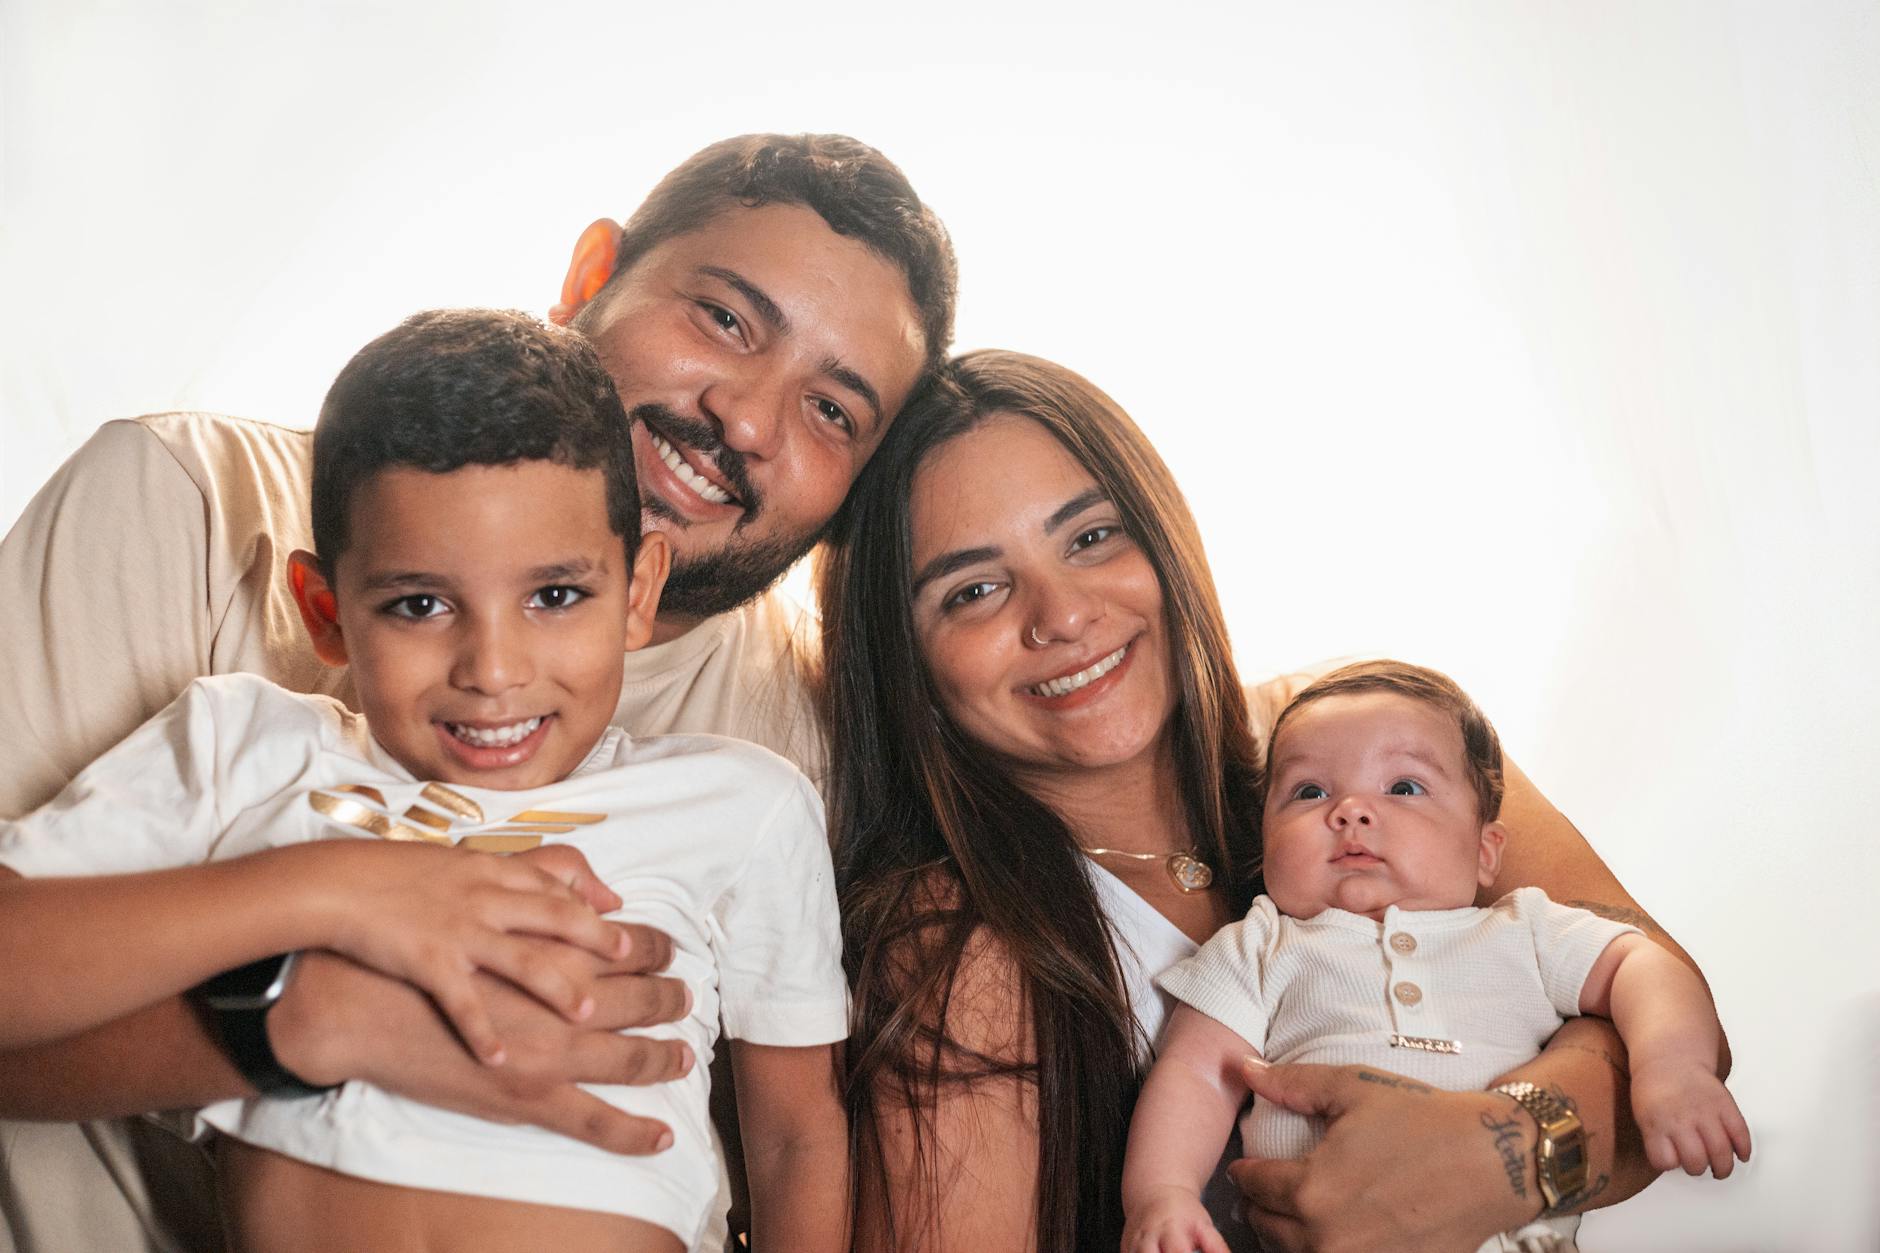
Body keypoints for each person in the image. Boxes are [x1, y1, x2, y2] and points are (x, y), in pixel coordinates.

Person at [0, 133, 954, 1253]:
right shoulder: (193, 514)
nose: (746, 418)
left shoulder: (801, 761)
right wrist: (300, 1011)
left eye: (832, 409)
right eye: (726, 318)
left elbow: (800, 1131)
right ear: (590, 274)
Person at [819, 350, 1731, 1252]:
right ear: (908, 667)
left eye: (1093, 537)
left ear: (1163, 535)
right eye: (973, 590)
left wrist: (1494, 1150)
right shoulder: (954, 942)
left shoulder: (1373, 737)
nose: (1060, 614)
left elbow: (1667, 1017)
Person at [1121, 660, 1750, 1253]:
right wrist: (1162, 1194)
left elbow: (1641, 967)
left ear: (1485, 851)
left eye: (1403, 786)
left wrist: (1672, 1067)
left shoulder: (1523, 930)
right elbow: (1198, 1073)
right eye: (1309, 792)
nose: (1351, 811)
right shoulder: (1261, 945)